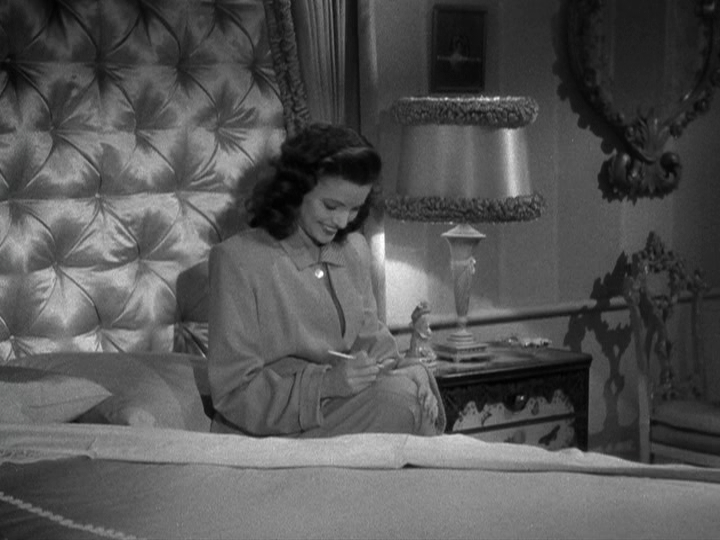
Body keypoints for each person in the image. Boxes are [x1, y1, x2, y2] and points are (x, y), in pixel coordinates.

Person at [208, 123, 445, 437]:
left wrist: (408, 369)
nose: (342, 221)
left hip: (350, 409)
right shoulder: (237, 260)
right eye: (331, 206)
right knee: (401, 403)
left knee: (412, 397)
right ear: (296, 190)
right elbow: (234, 393)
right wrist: (327, 385)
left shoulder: (354, 250)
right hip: (273, 429)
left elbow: (373, 348)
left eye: (355, 208)